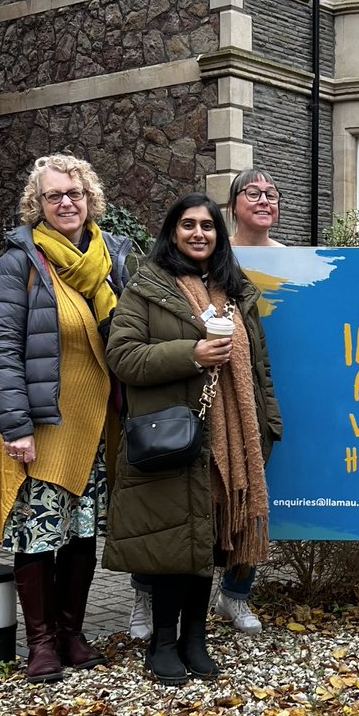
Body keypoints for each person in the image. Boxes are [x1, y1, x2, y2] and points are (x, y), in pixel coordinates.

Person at [105, 193, 280, 685]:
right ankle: (162, 643)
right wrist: (192, 354)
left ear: (219, 235)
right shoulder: (147, 286)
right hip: (173, 433)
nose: (198, 233)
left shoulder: (236, 290)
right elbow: (123, 356)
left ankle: (194, 640)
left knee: (207, 536)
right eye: (188, 224)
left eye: (207, 225)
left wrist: (268, 422)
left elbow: (260, 366)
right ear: (172, 232)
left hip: (228, 438)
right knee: (172, 540)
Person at [0, 154, 134, 683]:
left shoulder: (111, 260)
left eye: (75, 193)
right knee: (38, 536)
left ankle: (71, 632)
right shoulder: (18, 263)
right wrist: (15, 426)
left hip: (97, 426)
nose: (66, 202)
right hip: (42, 428)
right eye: (54, 195)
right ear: (37, 204)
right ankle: (41, 643)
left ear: (90, 198)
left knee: (82, 535)